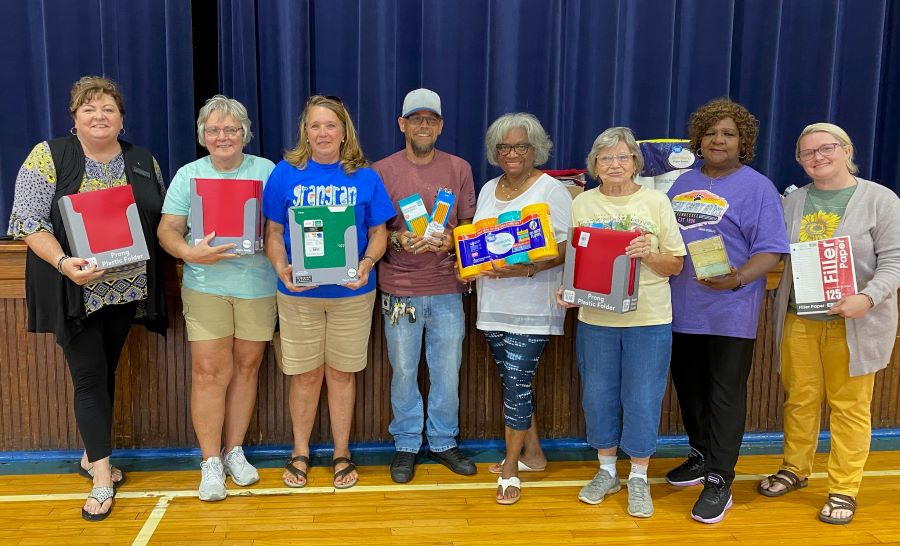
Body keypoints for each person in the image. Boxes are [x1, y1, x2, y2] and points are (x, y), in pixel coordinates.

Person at [6, 76, 167, 521]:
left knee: (104, 370)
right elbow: (27, 222)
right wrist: (63, 263)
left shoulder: (142, 159)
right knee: (89, 377)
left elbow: (162, 213)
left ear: (122, 118)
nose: (100, 116)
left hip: (125, 288)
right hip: (72, 288)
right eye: (89, 108)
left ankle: (90, 454)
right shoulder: (49, 156)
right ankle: (101, 477)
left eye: (108, 109)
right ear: (74, 117)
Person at [757, 123, 900, 524]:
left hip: (855, 322)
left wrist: (867, 298)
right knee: (799, 400)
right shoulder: (792, 202)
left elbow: (895, 261)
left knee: (850, 407)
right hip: (799, 319)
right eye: (807, 153)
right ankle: (795, 469)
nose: (817, 158)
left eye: (825, 149)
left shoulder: (880, 200)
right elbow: (772, 251)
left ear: (846, 150)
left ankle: (843, 488)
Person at [665, 97, 789, 524]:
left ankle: (720, 478)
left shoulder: (758, 187)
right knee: (689, 389)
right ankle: (700, 455)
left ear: (743, 142)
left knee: (724, 396)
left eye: (729, 133)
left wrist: (737, 278)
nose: (718, 139)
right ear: (698, 138)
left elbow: (771, 250)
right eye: (711, 132)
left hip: (730, 311)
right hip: (681, 310)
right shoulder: (680, 184)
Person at [262, 95, 395, 490]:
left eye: (331, 125)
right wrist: (281, 268)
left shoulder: (365, 176)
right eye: (315, 125)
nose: (323, 132)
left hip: (352, 293)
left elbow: (378, 233)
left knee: (341, 374)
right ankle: (300, 451)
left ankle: (342, 452)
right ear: (305, 131)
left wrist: (368, 264)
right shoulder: (285, 174)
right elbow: (271, 233)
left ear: (344, 132)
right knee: (304, 376)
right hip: (298, 293)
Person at [557, 127, 685, 518]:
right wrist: (568, 290)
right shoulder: (582, 203)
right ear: (595, 165)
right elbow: (577, 260)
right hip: (596, 317)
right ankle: (607, 471)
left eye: (623, 157)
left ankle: (640, 478)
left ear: (636, 163)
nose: (615, 164)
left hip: (648, 317)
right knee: (598, 395)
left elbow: (676, 264)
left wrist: (649, 254)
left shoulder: (657, 203)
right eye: (606, 158)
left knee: (643, 397)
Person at [157, 95, 277, 501]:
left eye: (230, 129)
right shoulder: (187, 175)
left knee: (248, 367)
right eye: (213, 130)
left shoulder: (266, 170)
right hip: (205, 285)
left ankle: (235, 451)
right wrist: (190, 252)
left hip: (258, 287)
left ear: (244, 133)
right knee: (209, 372)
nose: (222, 136)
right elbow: (167, 231)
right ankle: (210, 462)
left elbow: (280, 228)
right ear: (202, 136)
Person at [373, 89, 478, 482]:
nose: (423, 125)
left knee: (447, 371)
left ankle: (443, 441)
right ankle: (405, 444)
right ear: (401, 124)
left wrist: (451, 239)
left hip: (447, 287)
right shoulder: (381, 171)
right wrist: (399, 239)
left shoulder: (459, 168)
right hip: (400, 288)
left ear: (440, 126)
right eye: (415, 118)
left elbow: (469, 226)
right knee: (403, 370)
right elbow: (373, 229)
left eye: (430, 119)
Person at [471, 112, 571, 505]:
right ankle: (534, 454)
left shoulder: (552, 190)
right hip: (492, 302)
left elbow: (565, 247)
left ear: (536, 150)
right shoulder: (487, 189)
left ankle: (511, 467)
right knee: (513, 383)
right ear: (495, 152)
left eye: (520, 146)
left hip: (533, 305)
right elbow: (478, 242)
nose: (512, 153)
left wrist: (528, 266)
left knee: (516, 383)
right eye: (504, 147)